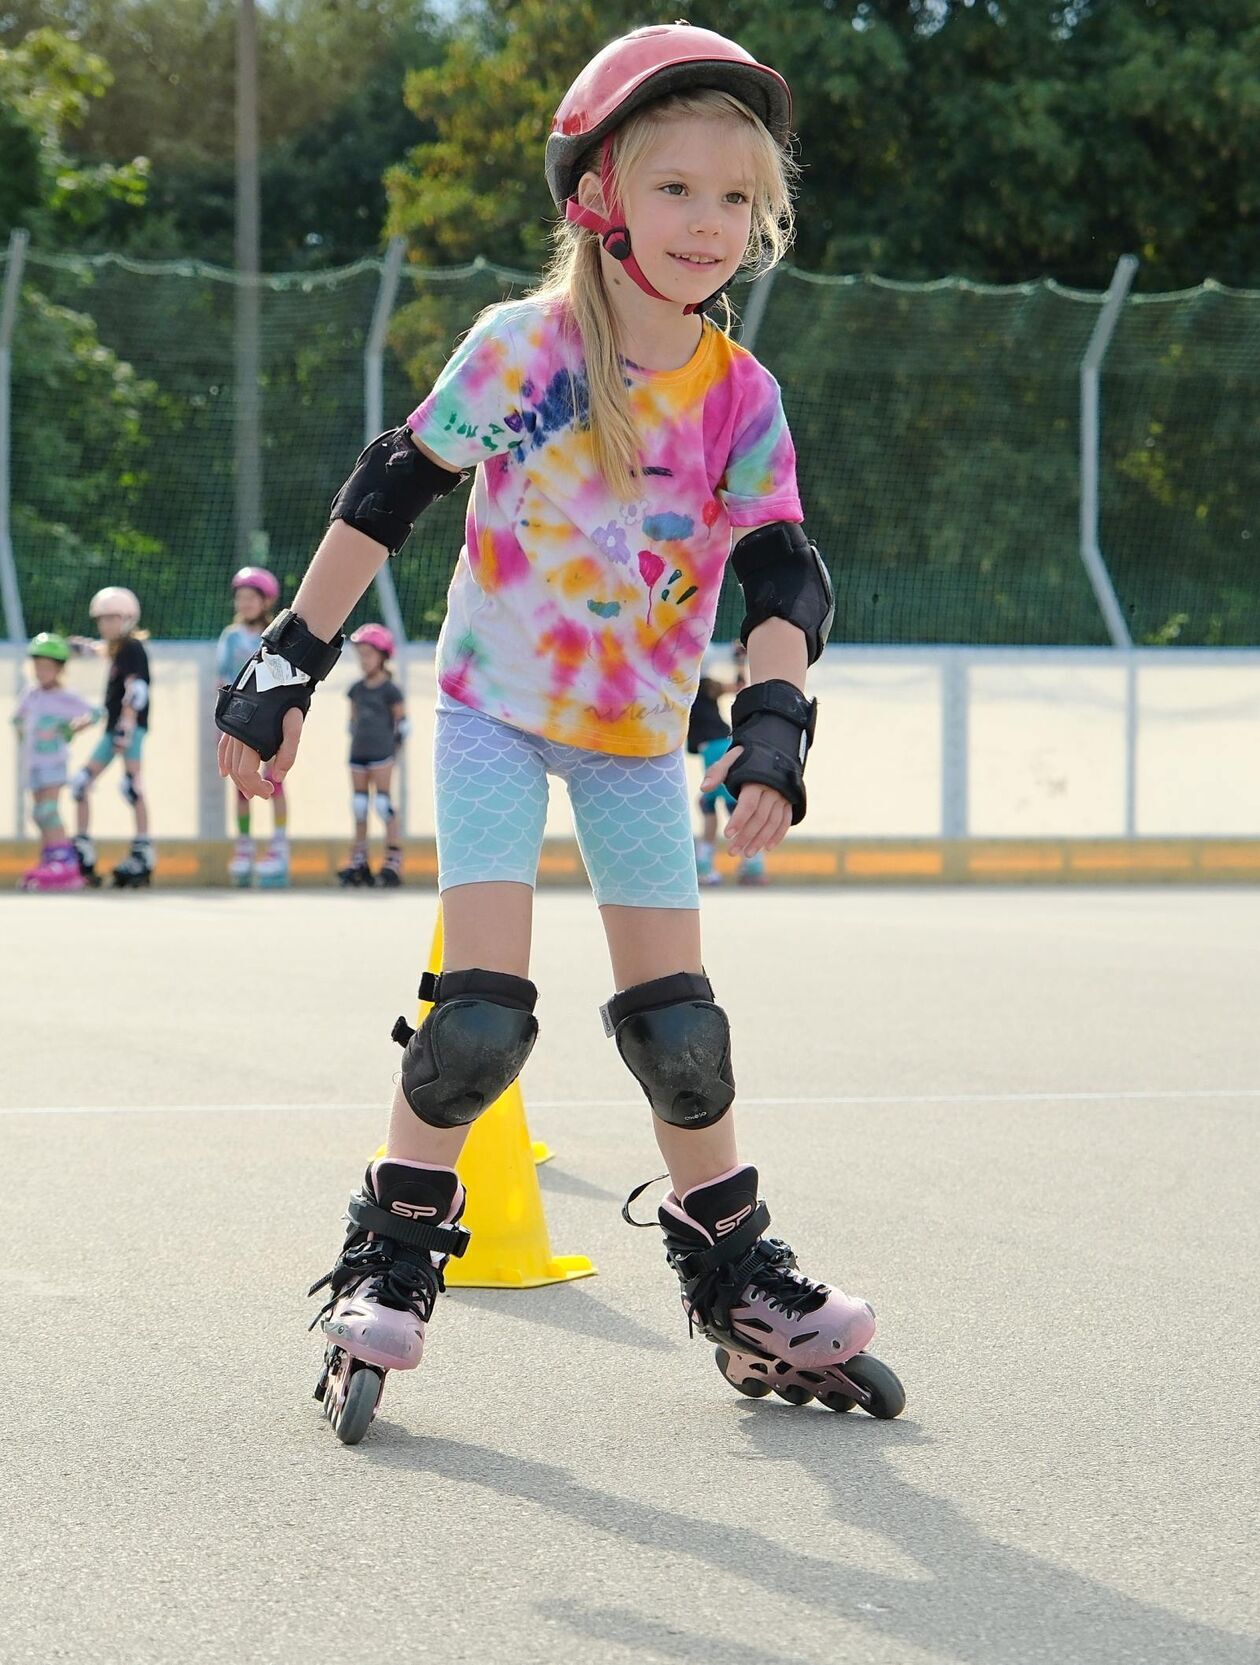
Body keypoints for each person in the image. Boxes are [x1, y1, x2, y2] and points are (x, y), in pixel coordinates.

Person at [217, 23, 902, 1442]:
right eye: (675, 190)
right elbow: (395, 486)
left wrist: (771, 723)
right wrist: (293, 657)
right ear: (599, 197)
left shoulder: (740, 399)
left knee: (686, 1039)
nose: (711, 223)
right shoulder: (520, 353)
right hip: (492, 718)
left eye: (737, 197)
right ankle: (390, 1259)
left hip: (640, 739)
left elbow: (784, 569)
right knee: (478, 1020)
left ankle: (738, 1288)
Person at [68, 586, 155, 889]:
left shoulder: (132, 648)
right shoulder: (119, 648)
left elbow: (137, 691)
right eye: (102, 619)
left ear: (128, 619)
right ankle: (82, 849)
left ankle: (143, 853)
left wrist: (125, 728)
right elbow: (104, 650)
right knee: (80, 784)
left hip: (127, 729)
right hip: (115, 727)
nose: (106, 625)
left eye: (112, 619)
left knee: (133, 786)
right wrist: (82, 648)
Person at [216, 566, 289, 887]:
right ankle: (244, 846)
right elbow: (223, 677)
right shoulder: (231, 636)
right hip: (241, 717)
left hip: (271, 715)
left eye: (250, 598)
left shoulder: (276, 633)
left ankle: (279, 844)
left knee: (276, 780)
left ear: (265, 601)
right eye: (240, 598)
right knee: (242, 783)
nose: (244, 603)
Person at [12, 633, 100, 892]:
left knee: (48, 810)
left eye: (48, 667)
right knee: (39, 814)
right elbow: (18, 718)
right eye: (38, 667)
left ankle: (65, 862)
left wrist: (70, 729)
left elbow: (95, 713)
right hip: (35, 763)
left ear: (59, 669)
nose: (42, 672)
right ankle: (50, 857)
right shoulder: (32, 694)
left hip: (53, 762)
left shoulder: (64, 696)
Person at [686, 640, 766, 886]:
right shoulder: (706, 685)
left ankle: (710, 866)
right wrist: (739, 661)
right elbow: (741, 686)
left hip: (713, 747)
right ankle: (751, 864)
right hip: (719, 745)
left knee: (713, 806)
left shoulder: (684, 686)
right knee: (729, 804)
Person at [338, 623, 408, 889]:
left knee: (382, 803)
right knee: (358, 805)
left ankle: (392, 860)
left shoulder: (390, 689)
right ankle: (359, 859)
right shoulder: (356, 689)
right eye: (361, 654)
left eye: (369, 654)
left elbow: (402, 724)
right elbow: (353, 721)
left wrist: (393, 752)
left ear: (383, 656)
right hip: (358, 751)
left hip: (381, 752)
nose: (363, 660)